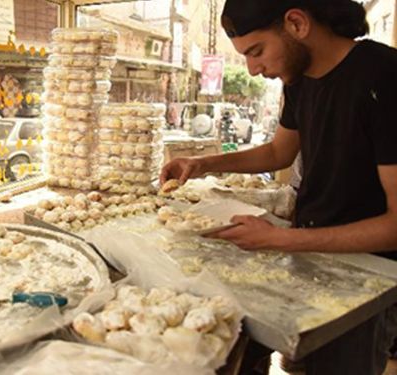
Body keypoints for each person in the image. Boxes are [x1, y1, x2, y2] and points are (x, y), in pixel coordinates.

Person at [160, 0, 397, 374]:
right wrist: (203, 164)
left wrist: (281, 239)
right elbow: (278, 152)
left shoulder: (383, 75)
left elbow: (394, 225)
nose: (254, 70)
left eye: (257, 51)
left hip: (365, 282)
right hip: (309, 264)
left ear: (297, 23)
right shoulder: (301, 82)